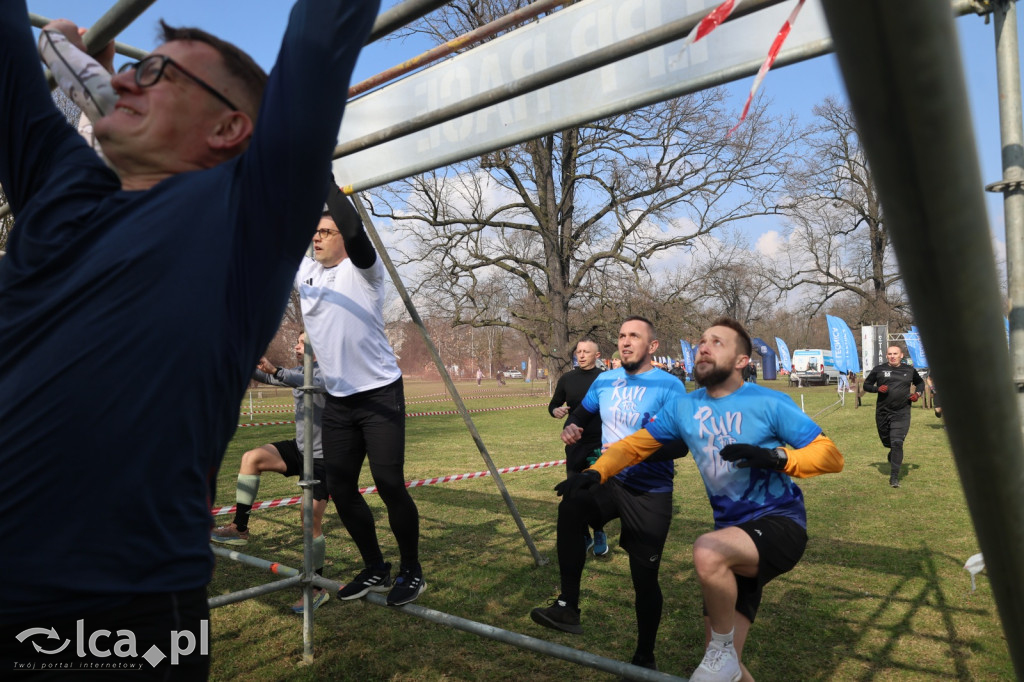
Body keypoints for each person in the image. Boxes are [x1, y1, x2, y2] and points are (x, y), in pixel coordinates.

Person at [0, 1, 378, 675]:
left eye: (155, 72)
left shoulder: (248, 216)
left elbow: (325, 27)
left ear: (231, 126)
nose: (121, 81)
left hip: (115, 619)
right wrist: (59, 50)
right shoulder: (64, 194)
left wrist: (62, 49)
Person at [564, 317, 844, 682]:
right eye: (701, 341)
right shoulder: (685, 407)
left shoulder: (770, 402)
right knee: (725, 670)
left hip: (780, 524)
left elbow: (830, 455)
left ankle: (720, 652)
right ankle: (725, 658)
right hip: (731, 537)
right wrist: (595, 473)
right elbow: (634, 446)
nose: (703, 347)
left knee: (707, 554)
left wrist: (779, 459)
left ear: (742, 360)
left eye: (717, 342)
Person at [530, 317, 688, 672]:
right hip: (609, 482)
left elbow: (681, 445)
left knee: (644, 578)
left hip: (650, 491)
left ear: (653, 346)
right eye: (621, 336)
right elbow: (581, 416)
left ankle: (644, 656)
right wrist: (571, 428)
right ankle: (568, 605)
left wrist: (635, 449)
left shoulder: (669, 385)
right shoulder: (605, 380)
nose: (626, 342)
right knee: (571, 508)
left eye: (635, 336)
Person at [297, 182, 425, 607]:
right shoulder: (306, 271)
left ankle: (412, 571)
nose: (316, 236)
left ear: (344, 241)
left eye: (325, 231)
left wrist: (323, 174)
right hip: (339, 399)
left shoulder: (364, 272)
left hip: (379, 394)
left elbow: (353, 229)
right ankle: (375, 566)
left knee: (388, 483)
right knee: (340, 487)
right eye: (313, 231)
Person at [211, 332, 331, 613]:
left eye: (301, 343)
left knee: (308, 520)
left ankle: (317, 587)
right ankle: (239, 528)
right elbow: (270, 377)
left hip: (326, 459)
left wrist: (276, 370)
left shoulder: (330, 374)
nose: (296, 346)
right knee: (251, 458)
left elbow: (308, 383)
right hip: (299, 450)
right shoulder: (297, 372)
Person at [548, 338, 609, 556]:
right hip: (574, 442)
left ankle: (600, 531)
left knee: (594, 491)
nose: (581, 355)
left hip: (600, 442)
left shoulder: (606, 379)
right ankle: (585, 535)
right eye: (578, 351)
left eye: (586, 352)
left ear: (597, 355)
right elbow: (554, 404)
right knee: (572, 490)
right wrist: (555, 411)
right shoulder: (567, 378)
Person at [863, 345, 925, 488]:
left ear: (901, 355)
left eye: (895, 354)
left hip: (902, 413)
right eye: (890, 354)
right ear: (886, 356)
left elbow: (920, 383)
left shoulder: (909, 370)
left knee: (897, 442)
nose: (892, 356)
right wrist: (877, 389)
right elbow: (866, 385)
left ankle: (894, 477)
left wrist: (917, 394)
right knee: (888, 442)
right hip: (883, 413)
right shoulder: (879, 369)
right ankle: (891, 451)